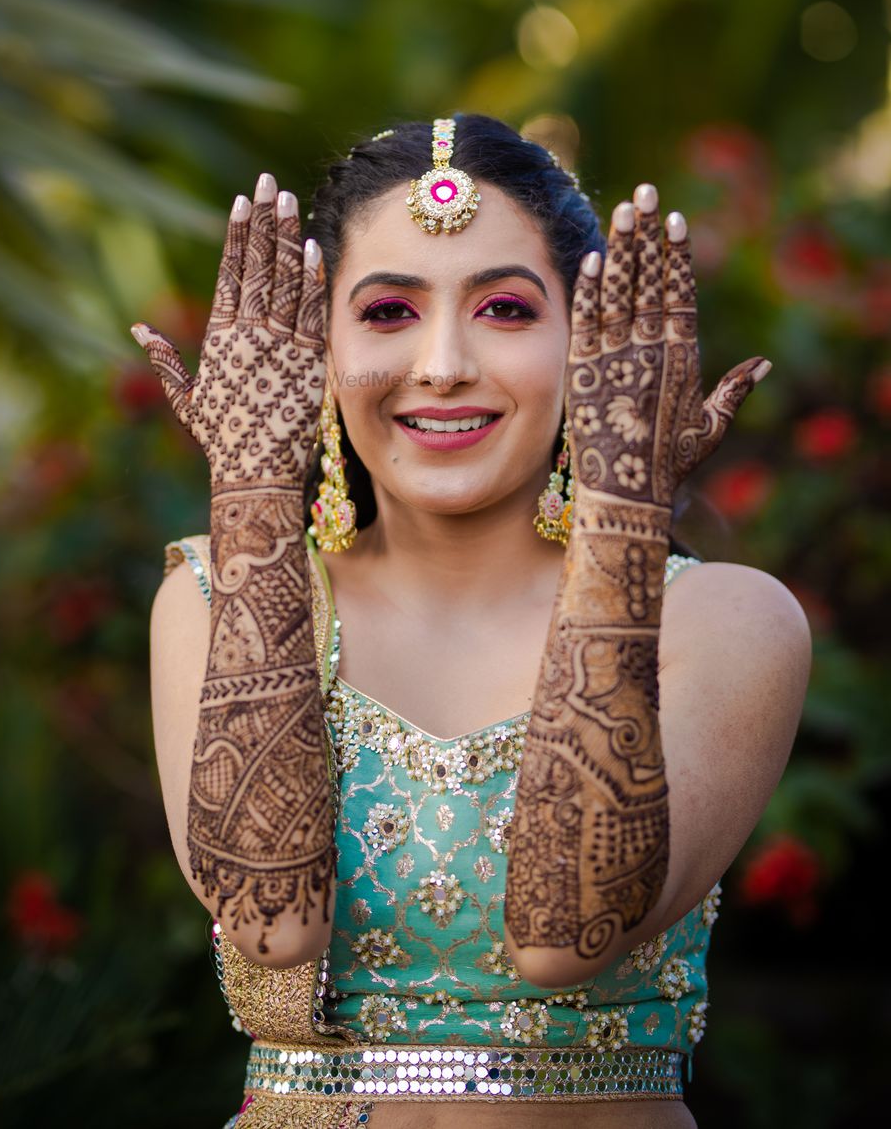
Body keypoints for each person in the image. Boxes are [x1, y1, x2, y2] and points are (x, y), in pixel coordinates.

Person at [139, 114, 810, 1127]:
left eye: (503, 308)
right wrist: (251, 496)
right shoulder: (208, 597)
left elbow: (564, 938)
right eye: (386, 314)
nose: (443, 364)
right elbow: (272, 931)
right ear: (312, 348)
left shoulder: (718, 620)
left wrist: (623, 509)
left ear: (587, 341)